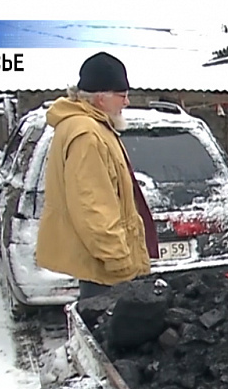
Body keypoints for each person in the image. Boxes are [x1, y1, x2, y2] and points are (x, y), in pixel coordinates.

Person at [36, 51, 159, 300]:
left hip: (103, 269)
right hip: (106, 274)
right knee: (109, 335)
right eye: (122, 96)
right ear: (101, 98)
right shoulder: (87, 135)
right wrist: (120, 262)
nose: (126, 103)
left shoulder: (93, 126)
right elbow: (93, 208)